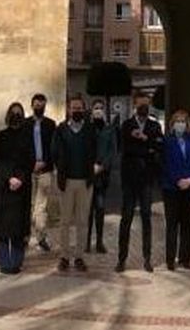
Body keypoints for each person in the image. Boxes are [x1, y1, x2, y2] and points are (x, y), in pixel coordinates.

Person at [51, 94, 101, 272]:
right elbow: (55, 152)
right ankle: (64, 256)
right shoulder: (61, 130)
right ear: (68, 109)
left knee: (82, 221)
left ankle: (79, 256)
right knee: (64, 222)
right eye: (74, 108)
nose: (77, 110)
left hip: (85, 182)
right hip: (67, 182)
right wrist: (60, 171)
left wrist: (95, 167)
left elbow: (96, 150)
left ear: (84, 109)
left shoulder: (90, 130)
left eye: (80, 108)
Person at [116, 89, 163, 272]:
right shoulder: (126, 125)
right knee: (126, 218)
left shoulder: (154, 126)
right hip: (129, 179)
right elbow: (126, 149)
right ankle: (121, 259)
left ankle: (147, 259)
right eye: (140, 104)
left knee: (146, 218)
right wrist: (147, 148)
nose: (143, 107)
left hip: (147, 180)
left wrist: (145, 140)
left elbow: (159, 146)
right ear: (135, 104)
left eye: (146, 104)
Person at [0, 102, 33, 274]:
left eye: (19, 113)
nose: (16, 115)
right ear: (8, 116)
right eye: (13, 113)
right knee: (2, 227)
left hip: (21, 186)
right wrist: (10, 177)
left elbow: (30, 160)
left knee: (18, 228)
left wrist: (19, 179)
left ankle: (15, 262)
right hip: (3, 186)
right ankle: (3, 262)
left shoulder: (27, 136)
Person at [161, 108, 190, 270]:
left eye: (183, 121)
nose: (180, 124)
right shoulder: (167, 141)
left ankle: (185, 259)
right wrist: (178, 180)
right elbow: (165, 164)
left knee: (187, 225)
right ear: (172, 124)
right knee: (172, 225)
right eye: (177, 121)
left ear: (187, 124)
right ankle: (170, 260)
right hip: (171, 188)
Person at [27, 93, 58, 254]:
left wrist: (45, 162)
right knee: (27, 204)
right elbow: (23, 147)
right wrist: (32, 163)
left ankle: (41, 237)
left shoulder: (51, 124)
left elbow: (54, 147)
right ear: (32, 105)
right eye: (37, 104)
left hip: (45, 170)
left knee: (41, 206)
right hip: (28, 170)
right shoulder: (25, 124)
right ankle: (25, 236)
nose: (39, 107)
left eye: (42, 104)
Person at [86, 101, 115, 255]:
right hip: (88, 176)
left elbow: (112, 151)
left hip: (102, 177)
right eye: (96, 108)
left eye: (101, 109)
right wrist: (89, 166)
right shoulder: (87, 128)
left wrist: (103, 165)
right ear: (91, 111)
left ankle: (99, 242)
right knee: (87, 211)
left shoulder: (109, 129)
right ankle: (86, 242)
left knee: (100, 209)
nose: (98, 111)